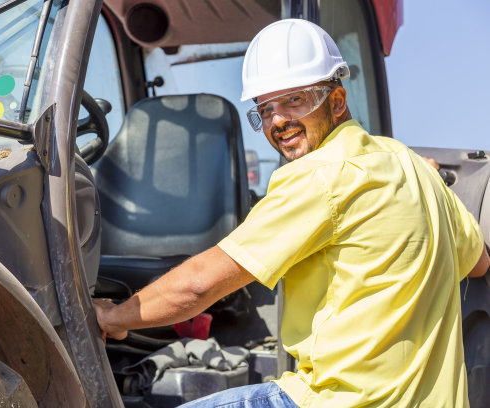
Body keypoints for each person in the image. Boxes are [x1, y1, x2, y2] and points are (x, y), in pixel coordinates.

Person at [93, 19, 490, 407]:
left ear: (337, 102)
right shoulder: (413, 167)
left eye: (294, 100)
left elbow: (199, 286)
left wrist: (116, 317)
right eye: (265, 109)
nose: (277, 121)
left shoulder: (318, 177)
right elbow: (478, 263)